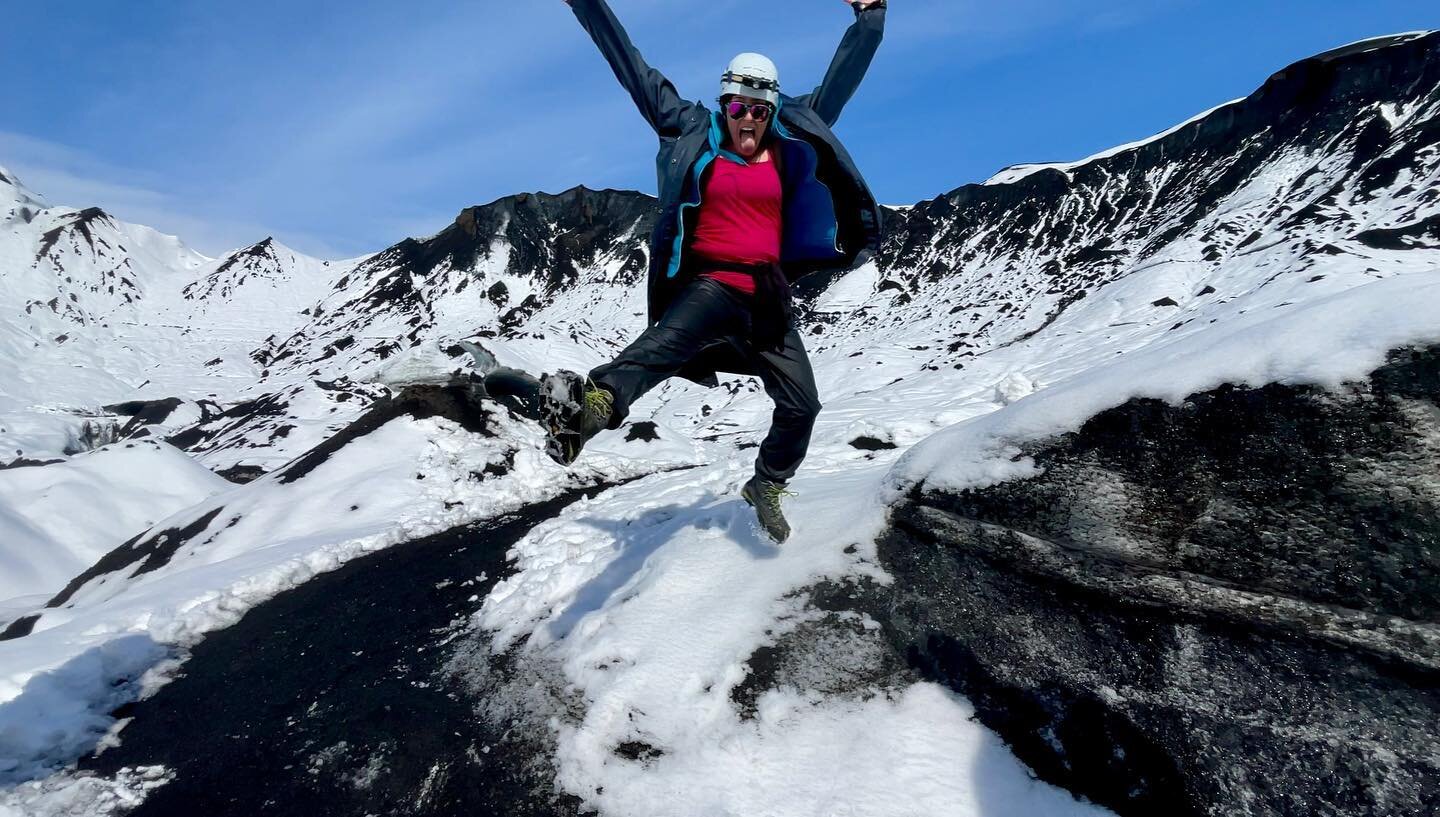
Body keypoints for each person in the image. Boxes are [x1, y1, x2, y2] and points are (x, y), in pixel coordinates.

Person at [554, 0, 887, 543]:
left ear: (772, 109)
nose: (749, 118)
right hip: (711, 284)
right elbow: (629, 64)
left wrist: (870, 17)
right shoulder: (688, 127)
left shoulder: (792, 136)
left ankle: (767, 484)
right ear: (724, 104)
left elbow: (843, 76)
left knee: (803, 404)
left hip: (768, 298)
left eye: (760, 109)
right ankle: (593, 406)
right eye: (739, 108)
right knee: (661, 347)